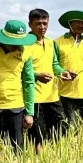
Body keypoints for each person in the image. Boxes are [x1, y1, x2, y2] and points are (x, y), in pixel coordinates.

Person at [0, 20, 36, 152]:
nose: (17, 46)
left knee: (16, 148)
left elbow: (28, 82)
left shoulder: (26, 51)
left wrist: (29, 112)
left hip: (15, 107)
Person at [27, 9, 69, 153]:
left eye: (45, 23)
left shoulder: (51, 43)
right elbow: (20, 69)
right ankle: (39, 158)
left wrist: (62, 72)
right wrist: (36, 75)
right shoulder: (25, 44)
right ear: (30, 24)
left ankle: (56, 156)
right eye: (38, 24)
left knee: (59, 128)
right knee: (37, 132)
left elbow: (54, 64)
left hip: (52, 95)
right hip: (34, 96)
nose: (42, 27)